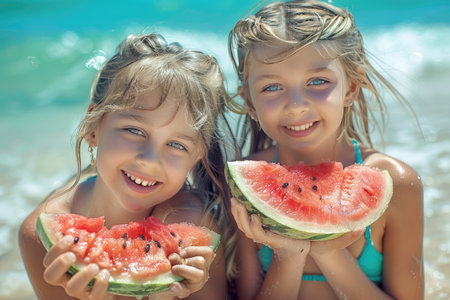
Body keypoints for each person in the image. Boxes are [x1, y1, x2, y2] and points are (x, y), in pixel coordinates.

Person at [227, 1, 424, 299]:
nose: (296, 105)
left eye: (317, 81)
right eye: (272, 88)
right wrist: (288, 254)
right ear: (250, 103)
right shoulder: (241, 185)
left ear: (351, 88)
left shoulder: (396, 182)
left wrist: (329, 251)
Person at [19, 33, 238, 300]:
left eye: (177, 145)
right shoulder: (39, 234)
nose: (149, 159)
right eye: (134, 130)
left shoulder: (192, 223)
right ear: (93, 127)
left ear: (198, 157)